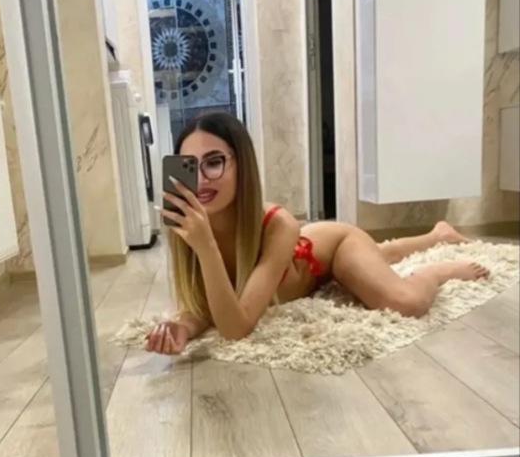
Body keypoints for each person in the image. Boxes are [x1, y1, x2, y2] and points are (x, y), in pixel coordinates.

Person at [145, 112, 489, 355]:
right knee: (379, 255)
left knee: (405, 302)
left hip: (334, 245)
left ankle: (436, 269)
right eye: (190, 165)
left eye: (214, 162)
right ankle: (437, 234)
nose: (201, 179)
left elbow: (236, 328)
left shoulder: (277, 224)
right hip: (309, 263)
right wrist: (184, 326)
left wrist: (206, 247)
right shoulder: (186, 224)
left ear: (242, 165)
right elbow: (211, 303)